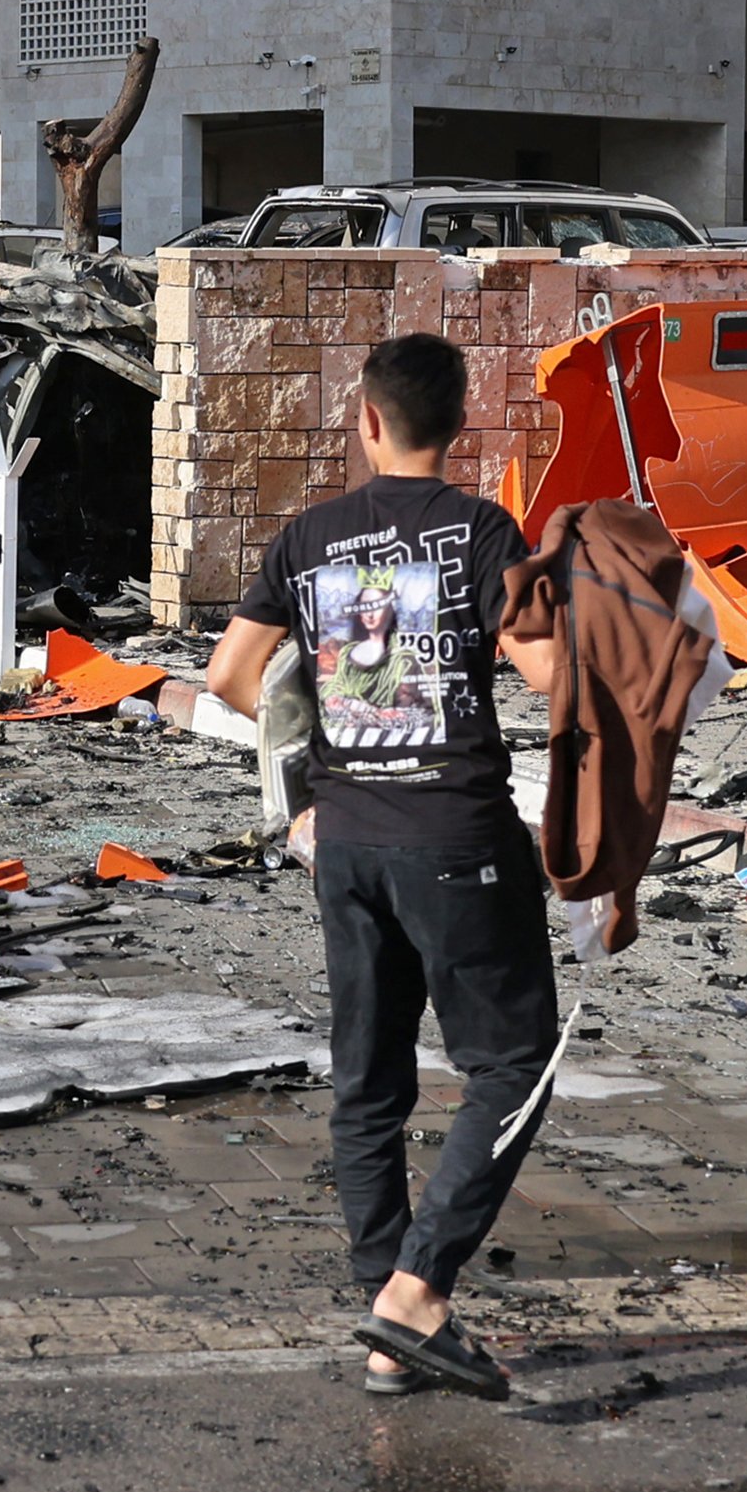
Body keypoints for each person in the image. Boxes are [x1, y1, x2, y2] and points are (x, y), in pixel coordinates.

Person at [203, 331, 562, 1403]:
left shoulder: (308, 537)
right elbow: (548, 675)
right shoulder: (483, 530)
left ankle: (383, 1324)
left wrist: (313, 759)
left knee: (368, 1078)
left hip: (345, 843)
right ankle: (412, 1293)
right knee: (512, 1062)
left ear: (364, 420)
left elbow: (229, 678)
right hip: (456, 837)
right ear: (461, 424)